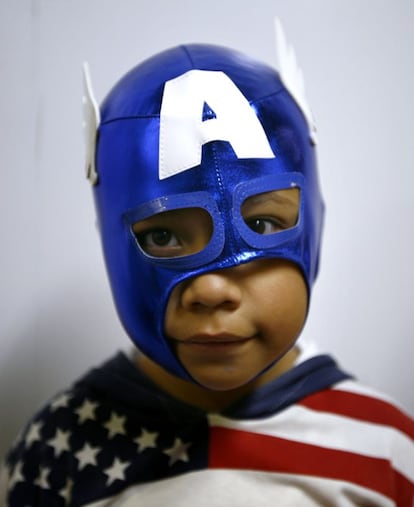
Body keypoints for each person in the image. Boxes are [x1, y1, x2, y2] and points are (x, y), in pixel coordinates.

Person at [1, 23, 414, 506]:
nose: (213, 290)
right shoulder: (60, 449)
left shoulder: (382, 449)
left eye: (260, 227)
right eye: (163, 235)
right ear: (112, 247)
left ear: (312, 225)